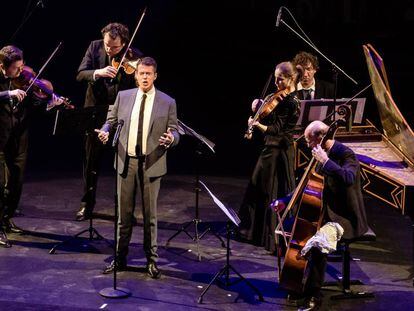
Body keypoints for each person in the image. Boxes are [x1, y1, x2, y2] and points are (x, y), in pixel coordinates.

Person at [95, 57, 179, 278]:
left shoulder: (167, 101)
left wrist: (172, 139)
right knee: (124, 215)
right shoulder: (123, 97)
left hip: (152, 163)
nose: (144, 77)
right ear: (136, 74)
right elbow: (110, 119)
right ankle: (120, 258)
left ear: (155, 76)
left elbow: (175, 130)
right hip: (127, 161)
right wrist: (105, 130)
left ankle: (151, 261)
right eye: (141, 73)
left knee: (150, 216)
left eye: (149, 74)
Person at [275, 120, 371, 310]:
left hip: (343, 217)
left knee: (319, 244)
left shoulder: (345, 154)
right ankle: (295, 283)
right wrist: (284, 201)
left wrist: (326, 162)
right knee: (292, 230)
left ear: (321, 137)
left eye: (310, 141)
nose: (309, 146)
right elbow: (305, 185)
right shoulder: (320, 156)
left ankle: (314, 296)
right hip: (322, 214)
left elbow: (348, 178)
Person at [75, 22, 143, 221]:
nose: (109, 49)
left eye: (114, 47)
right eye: (107, 45)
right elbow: (80, 74)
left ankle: (124, 209)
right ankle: (87, 205)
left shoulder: (135, 56)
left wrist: (138, 73)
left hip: (121, 115)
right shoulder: (94, 46)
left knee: (123, 163)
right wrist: (99, 73)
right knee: (91, 161)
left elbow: (139, 85)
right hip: (95, 111)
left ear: (124, 43)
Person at [0, 45, 63, 247]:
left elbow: (35, 103)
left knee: (16, 182)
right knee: (1, 184)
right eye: (16, 69)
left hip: (19, 138)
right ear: (3, 66)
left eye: (22, 67)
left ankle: (7, 218)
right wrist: (8, 93)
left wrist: (49, 103)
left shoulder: (25, 79)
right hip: (0, 138)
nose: (21, 72)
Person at [237, 61, 300, 253]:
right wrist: (257, 108)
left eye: (280, 78)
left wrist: (258, 126)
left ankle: (272, 237)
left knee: (273, 191)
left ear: (290, 79)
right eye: (275, 78)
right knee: (260, 190)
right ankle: (256, 233)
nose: (276, 82)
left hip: (279, 151)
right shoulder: (277, 97)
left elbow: (276, 130)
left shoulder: (290, 101)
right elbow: (268, 115)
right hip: (271, 149)